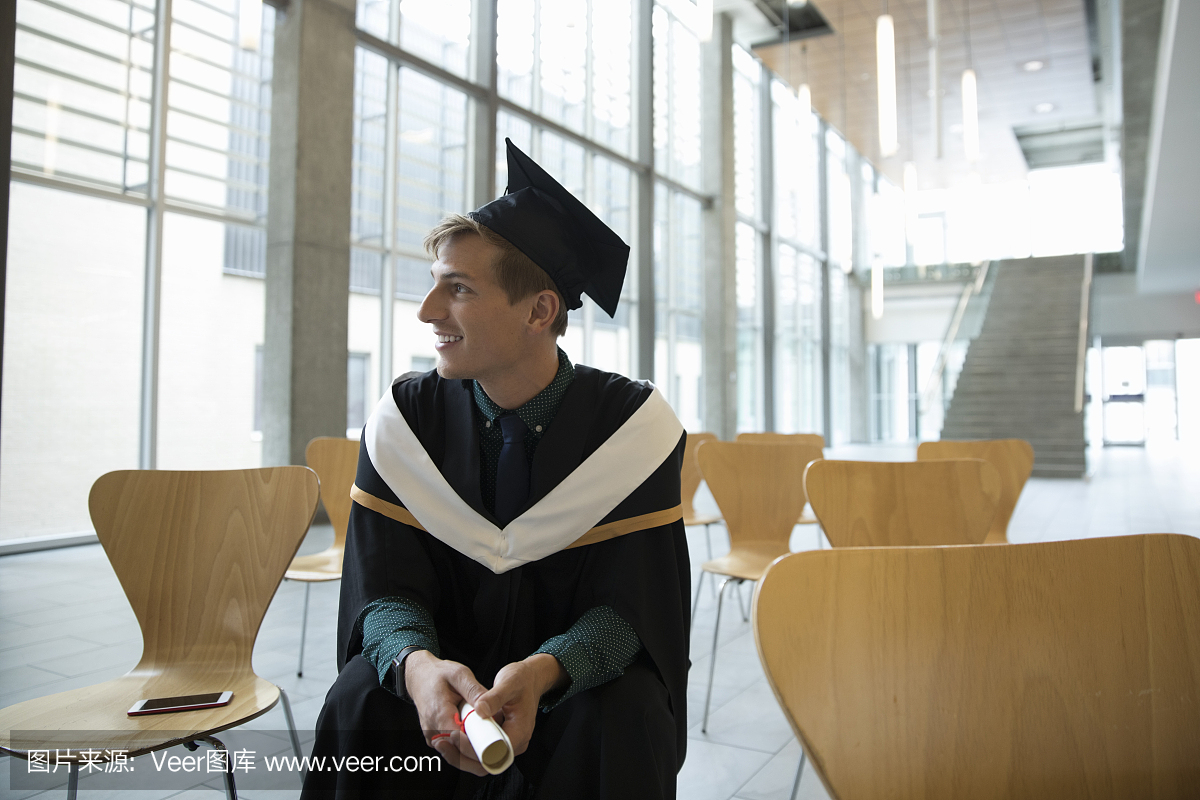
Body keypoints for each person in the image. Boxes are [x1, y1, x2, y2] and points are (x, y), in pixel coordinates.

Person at [301, 140, 690, 800]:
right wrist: (416, 666)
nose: (428, 313)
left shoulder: (630, 428)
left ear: (539, 311)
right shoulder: (406, 421)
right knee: (362, 697)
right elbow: (385, 586)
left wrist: (548, 671)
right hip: (437, 686)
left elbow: (633, 607)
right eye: (433, 285)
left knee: (627, 713)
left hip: (563, 692)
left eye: (458, 289)